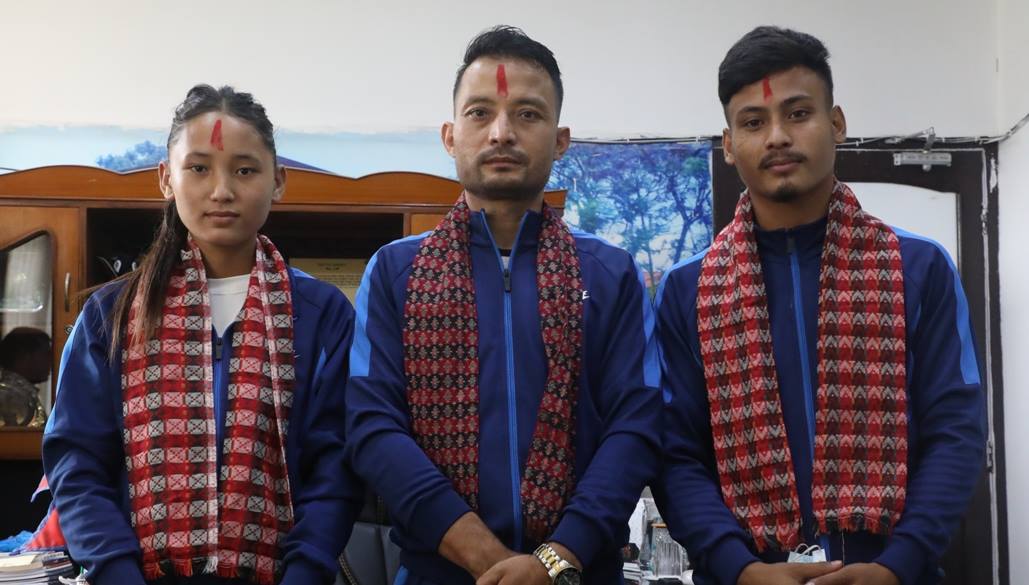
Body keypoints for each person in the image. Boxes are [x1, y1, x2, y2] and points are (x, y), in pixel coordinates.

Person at [653, 26, 986, 585]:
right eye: (753, 123)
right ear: (729, 145)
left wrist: (897, 565)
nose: (778, 137)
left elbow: (956, 430)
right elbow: (676, 452)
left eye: (798, 113)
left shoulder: (918, 266)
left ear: (837, 124)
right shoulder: (689, 288)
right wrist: (739, 568)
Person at [345, 25, 662, 585]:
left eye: (527, 114)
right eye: (480, 113)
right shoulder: (395, 271)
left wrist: (554, 560)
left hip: (581, 572)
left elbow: (636, 427)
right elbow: (374, 428)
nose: (501, 133)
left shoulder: (610, 273)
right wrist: (489, 560)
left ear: (560, 140)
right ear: (450, 136)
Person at [43, 85, 360, 585]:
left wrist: (305, 572)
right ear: (165, 178)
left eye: (245, 170)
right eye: (198, 168)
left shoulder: (321, 315)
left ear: (278, 181)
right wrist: (116, 571)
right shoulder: (112, 315)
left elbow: (335, 466)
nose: (221, 191)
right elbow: (77, 462)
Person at [0, 326, 49, 427]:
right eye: (45, 354)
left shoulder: (19, 394)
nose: (50, 361)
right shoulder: (11, 397)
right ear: (25, 356)